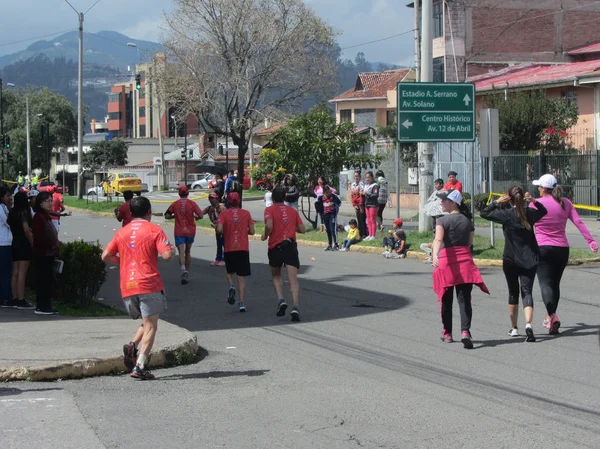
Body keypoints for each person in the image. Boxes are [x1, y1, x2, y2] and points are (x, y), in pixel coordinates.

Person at [102, 196, 174, 380]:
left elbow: (105, 256)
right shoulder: (154, 230)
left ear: (131, 213)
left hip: (127, 285)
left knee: (148, 320)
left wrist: (124, 262)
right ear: (149, 212)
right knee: (151, 325)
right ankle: (140, 366)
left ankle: (132, 346)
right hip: (148, 283)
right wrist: (172, 250)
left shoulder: (122, 232)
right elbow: (166, 255)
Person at [528, 174, 598, 335]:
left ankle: (552, 315)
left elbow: (527, 225)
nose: (537, 189)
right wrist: (591, 242)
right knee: (555, 284)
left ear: (544, 188)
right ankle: (551, 318)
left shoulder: (536, 204)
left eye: (539, 186)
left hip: (542, 247)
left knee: (545, 284)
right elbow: (579, 222)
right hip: (562, 249)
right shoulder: (565, 203)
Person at [480, 186, 548, 342]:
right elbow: (544, 211)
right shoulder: (530, 213)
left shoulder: (505, 215)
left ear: (508, 198)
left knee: (513, 292)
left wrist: (496, 202)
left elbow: (484, 213)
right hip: (530, 258)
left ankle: (515, 328)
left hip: (510, 259)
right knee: (527, 291)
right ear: (523, 199)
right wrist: (534, 201)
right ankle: (529, 325)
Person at [432, 190, 489, 349]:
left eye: (444, 200)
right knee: (464, 300)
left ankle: (447, 333)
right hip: (465, 262)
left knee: (446, 300)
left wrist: (435, 255)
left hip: (447, 262)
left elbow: (438, 239)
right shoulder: (468, 221)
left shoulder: (441, 221)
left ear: (453, 203)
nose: (441, 203)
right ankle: (465, 331)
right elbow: (469, 243)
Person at [262, 186, 305, 322]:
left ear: (273, 198)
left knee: (276, 275)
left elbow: (269, 226)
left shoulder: (269, 210)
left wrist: (264, 235)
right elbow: (302, 229)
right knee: (293, 279)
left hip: (275, 246)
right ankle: (295, 307)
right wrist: (293, 227)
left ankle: (281, 299)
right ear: (285, 197)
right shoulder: (292, 211)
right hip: (290, 245)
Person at [216, 192, 255, 312]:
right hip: (243, 248)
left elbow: (220, 229)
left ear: (228, 201)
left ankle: (231, 286)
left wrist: (218, 229)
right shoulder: (246, 213)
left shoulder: (224, 214)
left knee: (229, 272)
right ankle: (242, 303)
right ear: (238, 201)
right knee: (241, 277)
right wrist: (244, 231)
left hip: (229, 247)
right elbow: (252, 231)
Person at [164, 186, 203, 284]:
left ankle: (183, 270)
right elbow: (201, 215)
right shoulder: (192, 204)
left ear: (179, 194)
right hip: (190, 230)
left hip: (179, 231)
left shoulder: (175, 204)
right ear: (188, 193)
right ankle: (187, 272)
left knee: (181, 251)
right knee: (188, 251)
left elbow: (167, 215)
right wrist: (194, 217)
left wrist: (174, 216)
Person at [31, 191, 60, 315]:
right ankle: (42, 306)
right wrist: (51, 245)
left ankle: (46, 305)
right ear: (40, 203)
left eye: (50, 201)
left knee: (48, 281)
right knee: (43, 281)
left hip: (49, 254)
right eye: (47, 201)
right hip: (43, 254)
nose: (50, 203)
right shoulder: (38, 217)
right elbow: (39, 237)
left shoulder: (46, 216)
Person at [8, 192, 34, 309]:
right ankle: (21, 299)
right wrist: (33, 242)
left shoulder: (11, 212)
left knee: (15, 272)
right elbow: (26, 230)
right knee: (22, 273)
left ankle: (14, 297)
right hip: (23, 243)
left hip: (14, 242)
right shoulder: (23, 213)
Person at [421, 178, 446, 263]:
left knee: (439, 234)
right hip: (434, 214)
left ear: (441, 184)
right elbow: (430, 200)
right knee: (434, 233)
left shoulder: (444, 191)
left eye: (437, 184)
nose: (436, 186)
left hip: (440, 214)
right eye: (435, 184)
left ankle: (437, 255)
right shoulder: (435, 192)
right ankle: (433, 254)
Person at [202, 192, 226, 266]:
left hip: (224, 229)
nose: (211, 200)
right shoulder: (209, 208)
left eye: (213, 198)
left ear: (216, 199)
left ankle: (224, 259)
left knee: (223, 244)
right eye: (210, 198)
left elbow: (224, 218)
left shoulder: (221, 207)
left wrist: (217, 224)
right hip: (217, 229)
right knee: (219, 244)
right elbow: (200, 213)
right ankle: (218, 258)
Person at [316, 185, 342, 251]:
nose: (329, 193)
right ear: (324, 192)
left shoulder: (333, 196)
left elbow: (339, 202)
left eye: (329, 192)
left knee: (333, 229)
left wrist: (335, 209)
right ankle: (330, 245)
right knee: (328, 230)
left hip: (332, 215)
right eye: (327, 192)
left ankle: (336, 245)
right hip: (325, 215)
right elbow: (318, 205)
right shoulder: (321, 198)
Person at [0, 186, 13, 308]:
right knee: (5, 273)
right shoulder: (2, 208)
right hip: (3, 244)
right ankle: (5, 298)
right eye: (8, 195)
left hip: (4, 243)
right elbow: (10, 222)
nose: (10, 198)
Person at [362, 171, 380, 241]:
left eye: (369, 177)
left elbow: (375, 195)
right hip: (367, 204)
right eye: (366, 178)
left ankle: (373, 235)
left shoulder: (375, 185)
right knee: (368, 220)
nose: (367, 179)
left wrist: (367, 193)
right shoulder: (366, 185)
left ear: (372, 177)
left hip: (373, 204)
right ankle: (369, 234)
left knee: (373, 220)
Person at [350, 171, 367, 239]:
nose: (356, 177)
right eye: (355, 176)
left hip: (361, 204)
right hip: (356, 204)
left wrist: (361, 206)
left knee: (362, 219)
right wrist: (354, 205)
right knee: (359, 220)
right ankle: (359, 234)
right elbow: (352, 196)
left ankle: (364, 234)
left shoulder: (362, 184)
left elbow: (361, 196)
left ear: (360, 177)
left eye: (357, 176)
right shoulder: (353, 185)